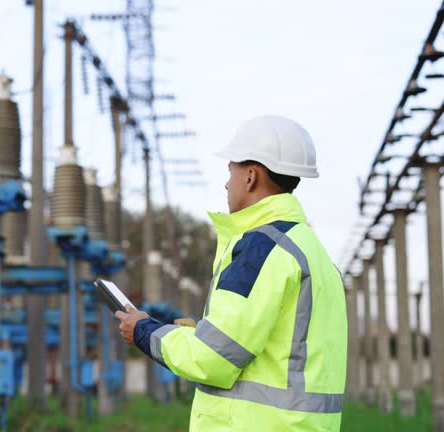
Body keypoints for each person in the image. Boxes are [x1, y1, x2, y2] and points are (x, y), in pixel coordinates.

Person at [115, 115, 347, 431]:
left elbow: (211, 359)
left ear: (250, 176)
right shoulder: (312, 252)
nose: (227, 183)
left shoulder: (261, 248)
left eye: (230, 171)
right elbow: (278, 352)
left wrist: (142, 330)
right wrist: (201, 332)